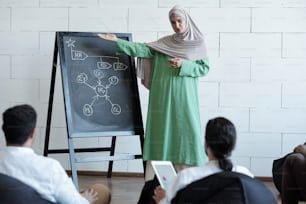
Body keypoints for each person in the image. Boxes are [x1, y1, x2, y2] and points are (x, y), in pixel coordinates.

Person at [98, 5, 210, 179]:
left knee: (186, 130)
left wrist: (184, 64)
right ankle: (156, 179)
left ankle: (188, 178)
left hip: (184, 99)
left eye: (180, 21)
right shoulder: (165, 43)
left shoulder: (197, 43)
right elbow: (143, 49)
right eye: (173, 22)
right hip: (162, 98)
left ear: (187, 20)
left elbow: (204, 68)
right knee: (161, 131)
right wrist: (118, 42)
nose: (177, 26)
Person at [0, 104, 111, 204]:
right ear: (33, 133)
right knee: (101, 191)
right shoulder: (49, 168)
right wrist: (85, 200)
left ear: (4, 130)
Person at [152, 117, 254, 204]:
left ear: (206, 144)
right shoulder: (246, 176)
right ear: (233, 145)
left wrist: (163, 200)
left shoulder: (186, 177)